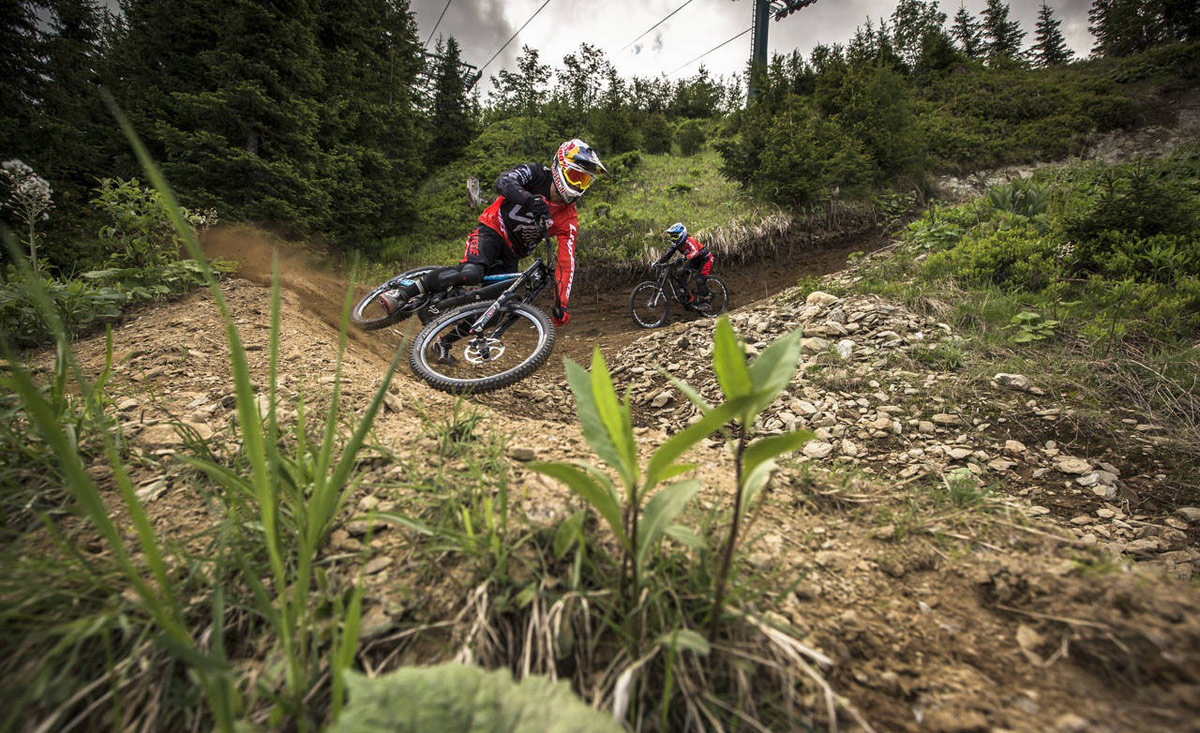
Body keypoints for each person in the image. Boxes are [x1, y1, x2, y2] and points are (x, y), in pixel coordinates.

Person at [378, 139, 607, 361]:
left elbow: (566, 261)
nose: (578, 186)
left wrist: (561, 303)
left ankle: (443, 343)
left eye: (585, 182)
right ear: (560, 167)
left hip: (512, 254)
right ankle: (403, 294)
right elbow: (504, 181)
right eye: (576, 176)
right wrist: (528, 200)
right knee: (472, 272)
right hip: (491, 229)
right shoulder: (535, 173)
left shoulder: (569, 218)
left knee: (496, 310)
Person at [658, 222, 713, 302]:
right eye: (672, 236)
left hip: (705, 259)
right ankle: (686, 294)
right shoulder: (675, 244)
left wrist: (684, 258)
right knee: (680, 272)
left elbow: (695, 252)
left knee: (700, 280)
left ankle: (708, 297)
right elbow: (668, 254)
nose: (673, 239)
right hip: (694, 260)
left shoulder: (689, 240)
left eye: (675, 236)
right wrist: (658, 262)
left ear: (682, 234)